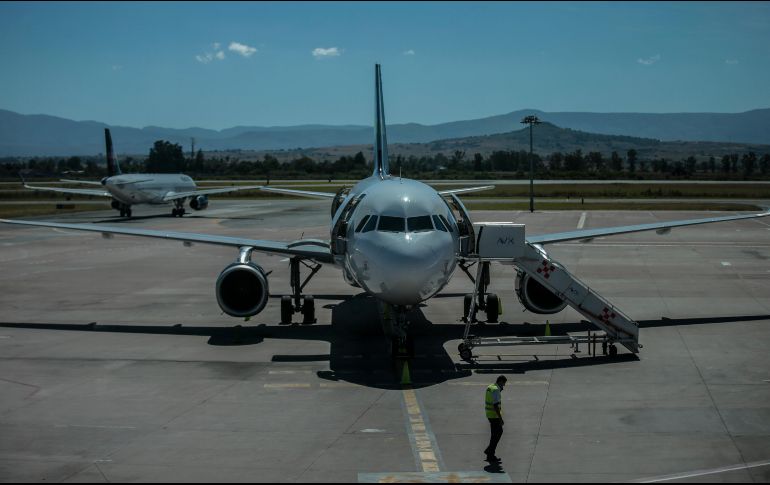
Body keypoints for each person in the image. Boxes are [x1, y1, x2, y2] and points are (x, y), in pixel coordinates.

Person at [484, 375, 507, 462]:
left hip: (489, 414)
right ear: (500, 381)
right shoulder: (496, 390)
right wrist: (500, 418)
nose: (503, 386)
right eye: (503, 384)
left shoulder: (490, 387)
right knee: (497, 434)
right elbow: (495, 405)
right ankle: (490, 454)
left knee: (495, 434)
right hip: (494, 415)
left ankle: (489, 451)